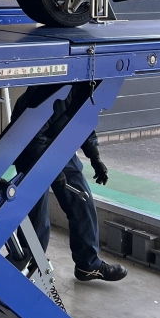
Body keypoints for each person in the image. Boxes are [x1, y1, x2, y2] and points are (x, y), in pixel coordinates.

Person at [12, 84, 127, 283]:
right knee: (36, 213)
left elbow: (84, 121)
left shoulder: (89, 89)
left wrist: (95, 157)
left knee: (82, 201)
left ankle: (88, 265)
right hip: (31, 148)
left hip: (58, 145)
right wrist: (51, 170)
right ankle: (31, 263)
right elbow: (34, 134)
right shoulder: (57, 91)